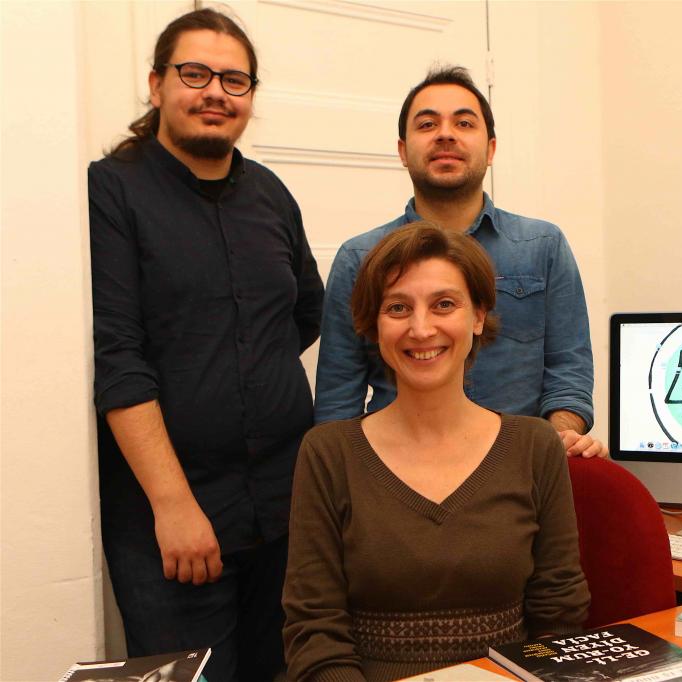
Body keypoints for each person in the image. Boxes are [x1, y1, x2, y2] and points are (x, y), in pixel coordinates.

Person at [88, 9, 323, 680]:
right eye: (195, 74)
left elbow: (307, 311)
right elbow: (117, 357)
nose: (215, 92)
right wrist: (173, 505)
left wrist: (243, 368)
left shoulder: (270, 193)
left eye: (234, 79)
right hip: (173, 523)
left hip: (283, 509)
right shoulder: (111, 190)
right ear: (156, 84)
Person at [283, 222, 590, 681]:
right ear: (374, 326)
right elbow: (314, 634)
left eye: (444, 304)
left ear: (478, 316)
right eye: (398, 307)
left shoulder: (534, 446)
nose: (421, 328)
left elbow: (558, 618)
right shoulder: (328, 454)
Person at [315, 66, 608, 458]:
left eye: (464, 123)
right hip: (396, 470)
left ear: (491, 149)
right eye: (427, 124)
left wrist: (555, 445)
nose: (445, 134)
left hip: (522, 469)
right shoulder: (359, 259)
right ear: (402, 151)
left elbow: (568, 371)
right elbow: (338, 400)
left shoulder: (542, 247)